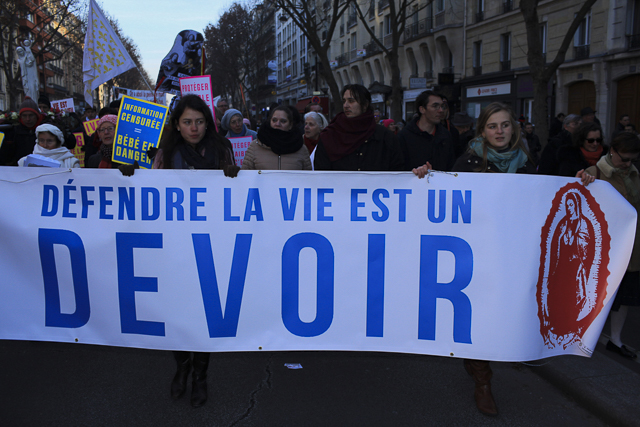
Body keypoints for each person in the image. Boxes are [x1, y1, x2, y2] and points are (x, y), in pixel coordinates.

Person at [449, 102, 593, 416]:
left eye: (504, 125)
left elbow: (546, 197)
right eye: (492, 126)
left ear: (513, 128)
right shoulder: (469, 160)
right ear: (482, 131)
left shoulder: (527, 161)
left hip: (514, 252)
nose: (499, 131)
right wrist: (425, 178)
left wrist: (579, 182)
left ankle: (485, 358)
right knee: (480, 316)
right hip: (478, 253)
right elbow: (447, 200)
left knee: (508, 310)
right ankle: (483, 380)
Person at [586, 132, 640, 360]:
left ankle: (615, 339)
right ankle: (588, 335)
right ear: (612, 151)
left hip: (631, 244)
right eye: (624, 159)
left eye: (632, 159)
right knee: (599, 292)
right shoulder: (593, 174)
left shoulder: (635, 174)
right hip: (604, 246)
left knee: (625, 294)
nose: (628, 163)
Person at [314, 84, 404, 171]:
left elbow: (398, 170)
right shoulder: (330, 135)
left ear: (365, 105)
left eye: (351, 101)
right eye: (344, 101)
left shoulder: (385, 137)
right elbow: (321, 173)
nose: (346, 105)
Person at [397, 90, 455, 172]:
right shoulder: (404, 136)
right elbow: (398, 168)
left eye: (442, 106)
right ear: (422, 109)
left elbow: (451, 166)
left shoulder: (445, 135)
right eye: (435, 106)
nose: (441, 110)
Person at [241, 105, 310, 170]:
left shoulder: (301, 149)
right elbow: (246, 175)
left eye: (283, 121)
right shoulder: (255, 146)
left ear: (290, 125)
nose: (277, 124)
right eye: (274, 120)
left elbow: (308, 177)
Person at [0, 97, 44, 166]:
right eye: (24, 116)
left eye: (31, 115)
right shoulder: (13, 131)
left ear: (37, 116)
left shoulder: (44, 130)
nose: (28, 119)